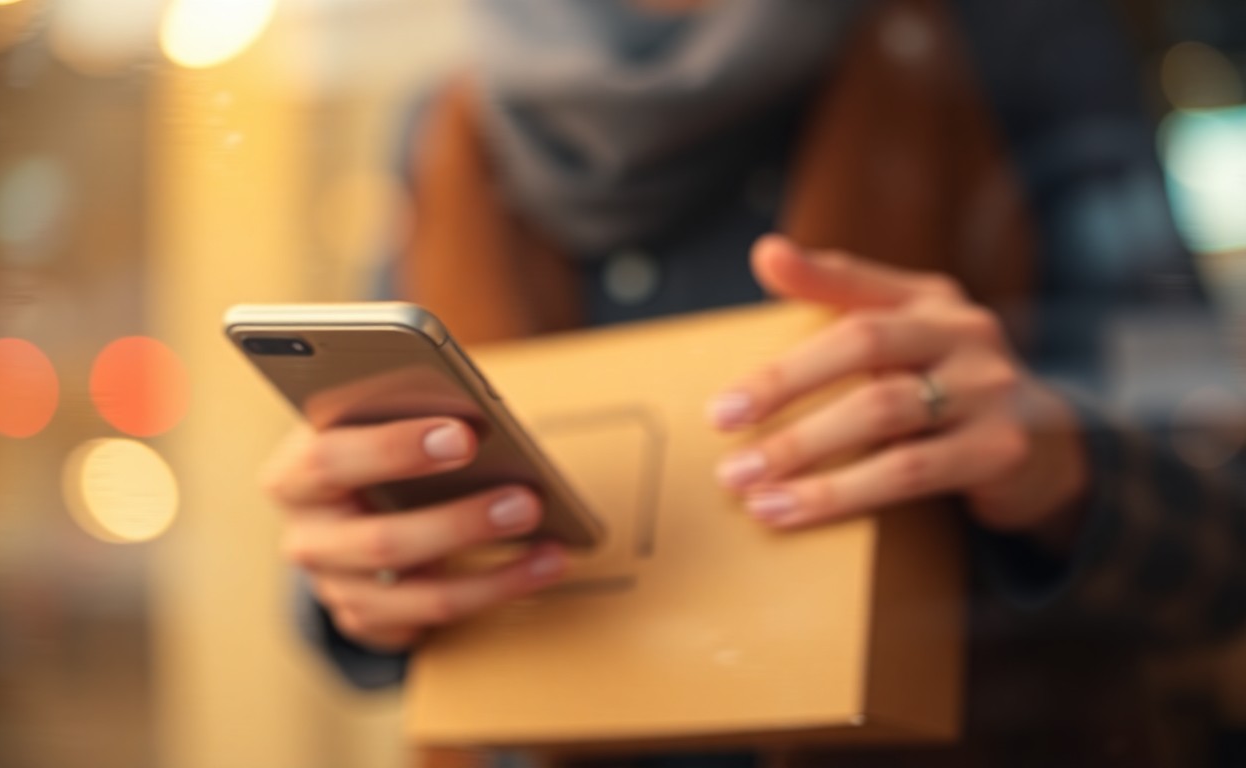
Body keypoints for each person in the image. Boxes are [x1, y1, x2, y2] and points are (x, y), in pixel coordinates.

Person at [262, 0, 1246, 765]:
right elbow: (371, 552)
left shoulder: (1009, 41)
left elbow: (1224, 523)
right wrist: (361, 565)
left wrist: (1058, 459)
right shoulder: (444, 125)